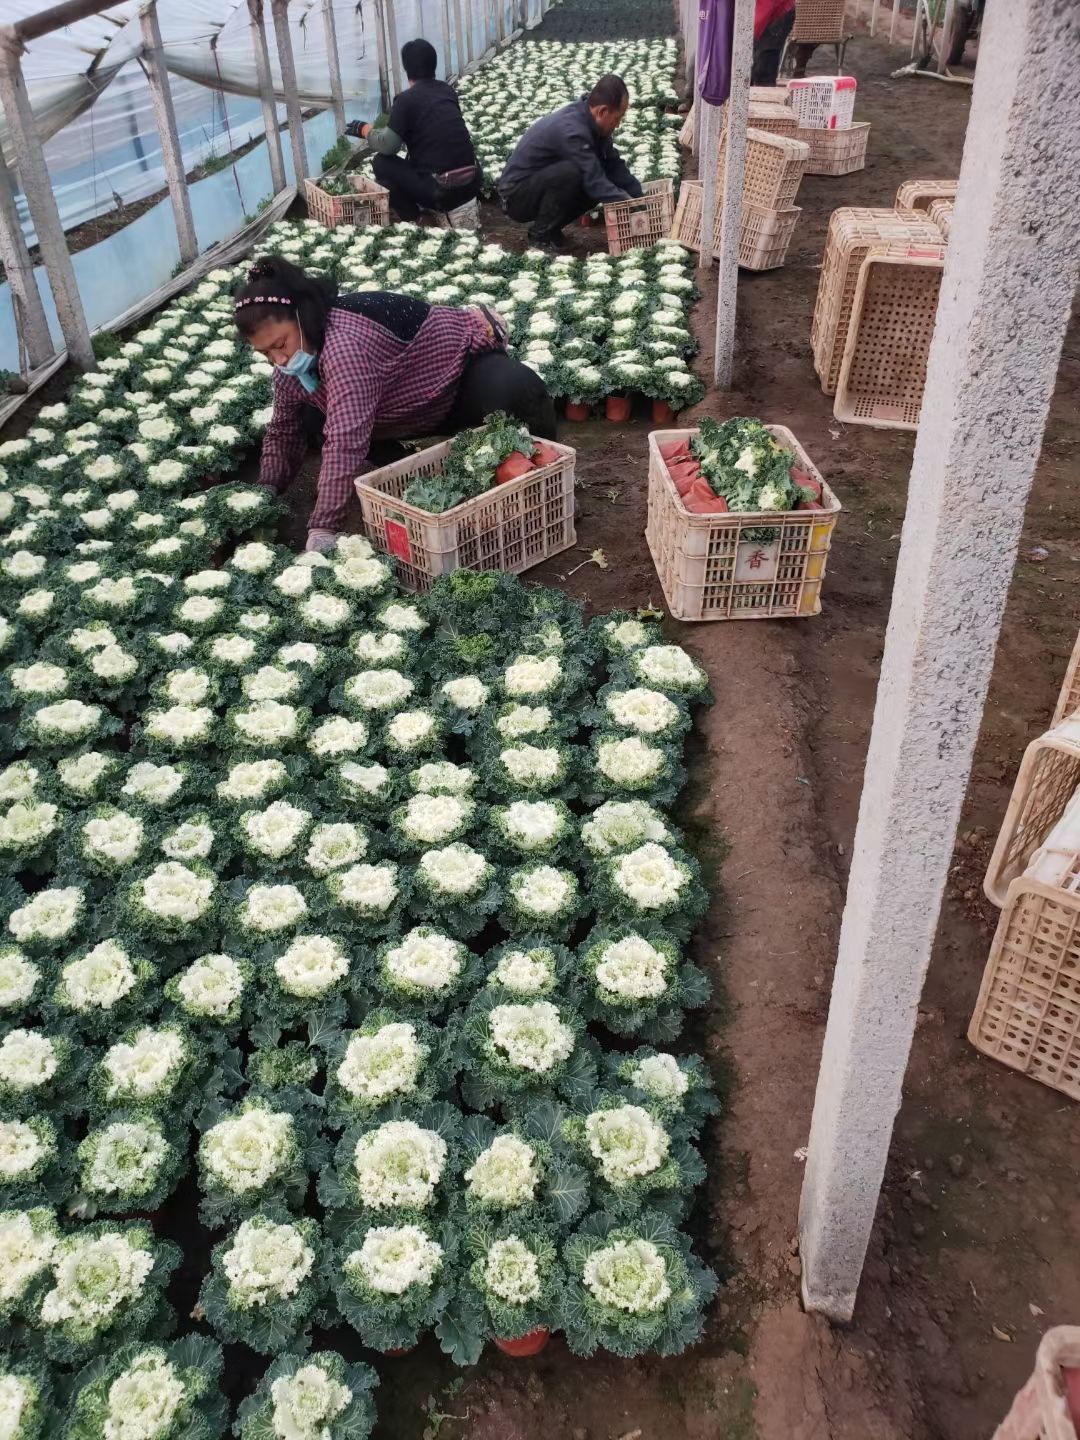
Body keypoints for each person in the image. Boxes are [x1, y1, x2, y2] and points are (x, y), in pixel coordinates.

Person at [233, 256, 555, 551]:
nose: (279, 359)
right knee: (310, 417)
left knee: (514, 387)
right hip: (397, 403)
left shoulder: (345, 346)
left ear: (302, 318)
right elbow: (282, 431)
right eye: (266, 353)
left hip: (455, 383)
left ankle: (549, 476)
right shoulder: (292, 364)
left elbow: (346, 440)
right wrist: (265, 492)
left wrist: (322, 528)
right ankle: (408, 471)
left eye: (280, 344)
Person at [497, 74, 642, 248]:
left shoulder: (595, 125)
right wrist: (627, 202)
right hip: (516, 195)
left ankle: (552, 230)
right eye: (617, 118)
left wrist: (640, 199)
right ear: (602, 111)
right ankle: (540, 236)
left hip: (540, 184)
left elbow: (613, 165)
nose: (617, 125)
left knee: (597, 180)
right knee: (574, 174)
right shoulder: (572, 129)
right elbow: (595, 180)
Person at [346, 38, 481, 222]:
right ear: (434, 64)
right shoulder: (446, 90)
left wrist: (366, 130)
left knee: (381, 164)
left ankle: (416, 218)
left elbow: (388, 146)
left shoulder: (406, 100)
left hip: (442, 191)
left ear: (407, 69)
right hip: (472, 183)